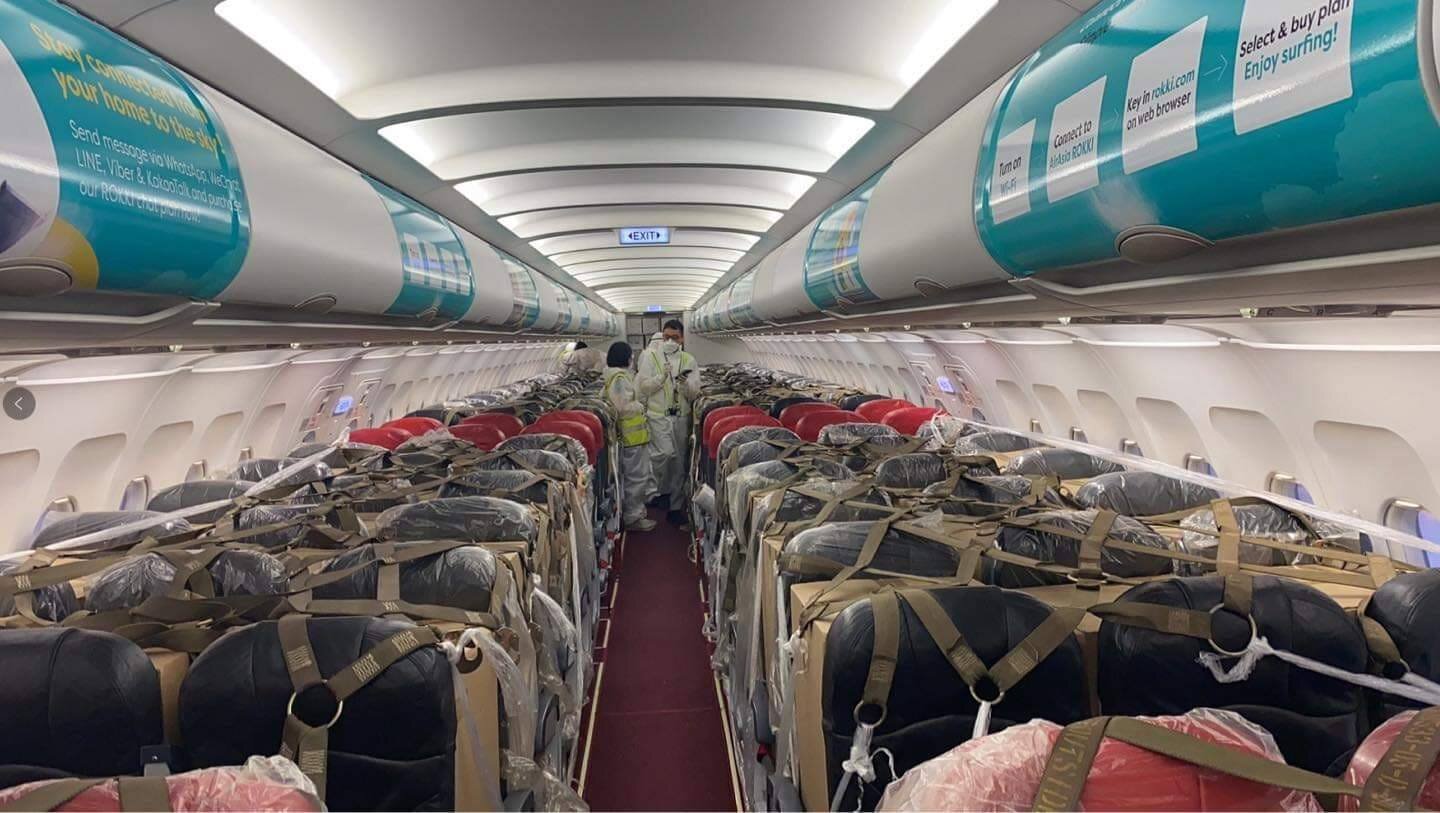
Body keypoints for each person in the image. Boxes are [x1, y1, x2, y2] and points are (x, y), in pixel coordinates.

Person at [636, 319, 700, 526]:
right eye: (667, 337)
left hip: (680, 417)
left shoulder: (689, 360)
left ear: (682, 339)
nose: (670, 341)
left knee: (679, 462)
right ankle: (659, 491)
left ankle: (675, 505)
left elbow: (694, 393)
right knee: (663, 455)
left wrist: (685, 385)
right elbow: (643, 387)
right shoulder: (651, 357)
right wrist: (660, 378)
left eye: (675, 337)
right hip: (658, 417)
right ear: (662, 337)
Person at [604, 341, 658, 531]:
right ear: (626, 358)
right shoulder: (619, 378)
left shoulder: (614, 376)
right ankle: (633, 518)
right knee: (636, 478)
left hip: (629, 437)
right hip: (630, 437)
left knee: (633, 477)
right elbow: (622, 407)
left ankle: (635, 512)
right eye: (631, 356)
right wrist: (641, 406)